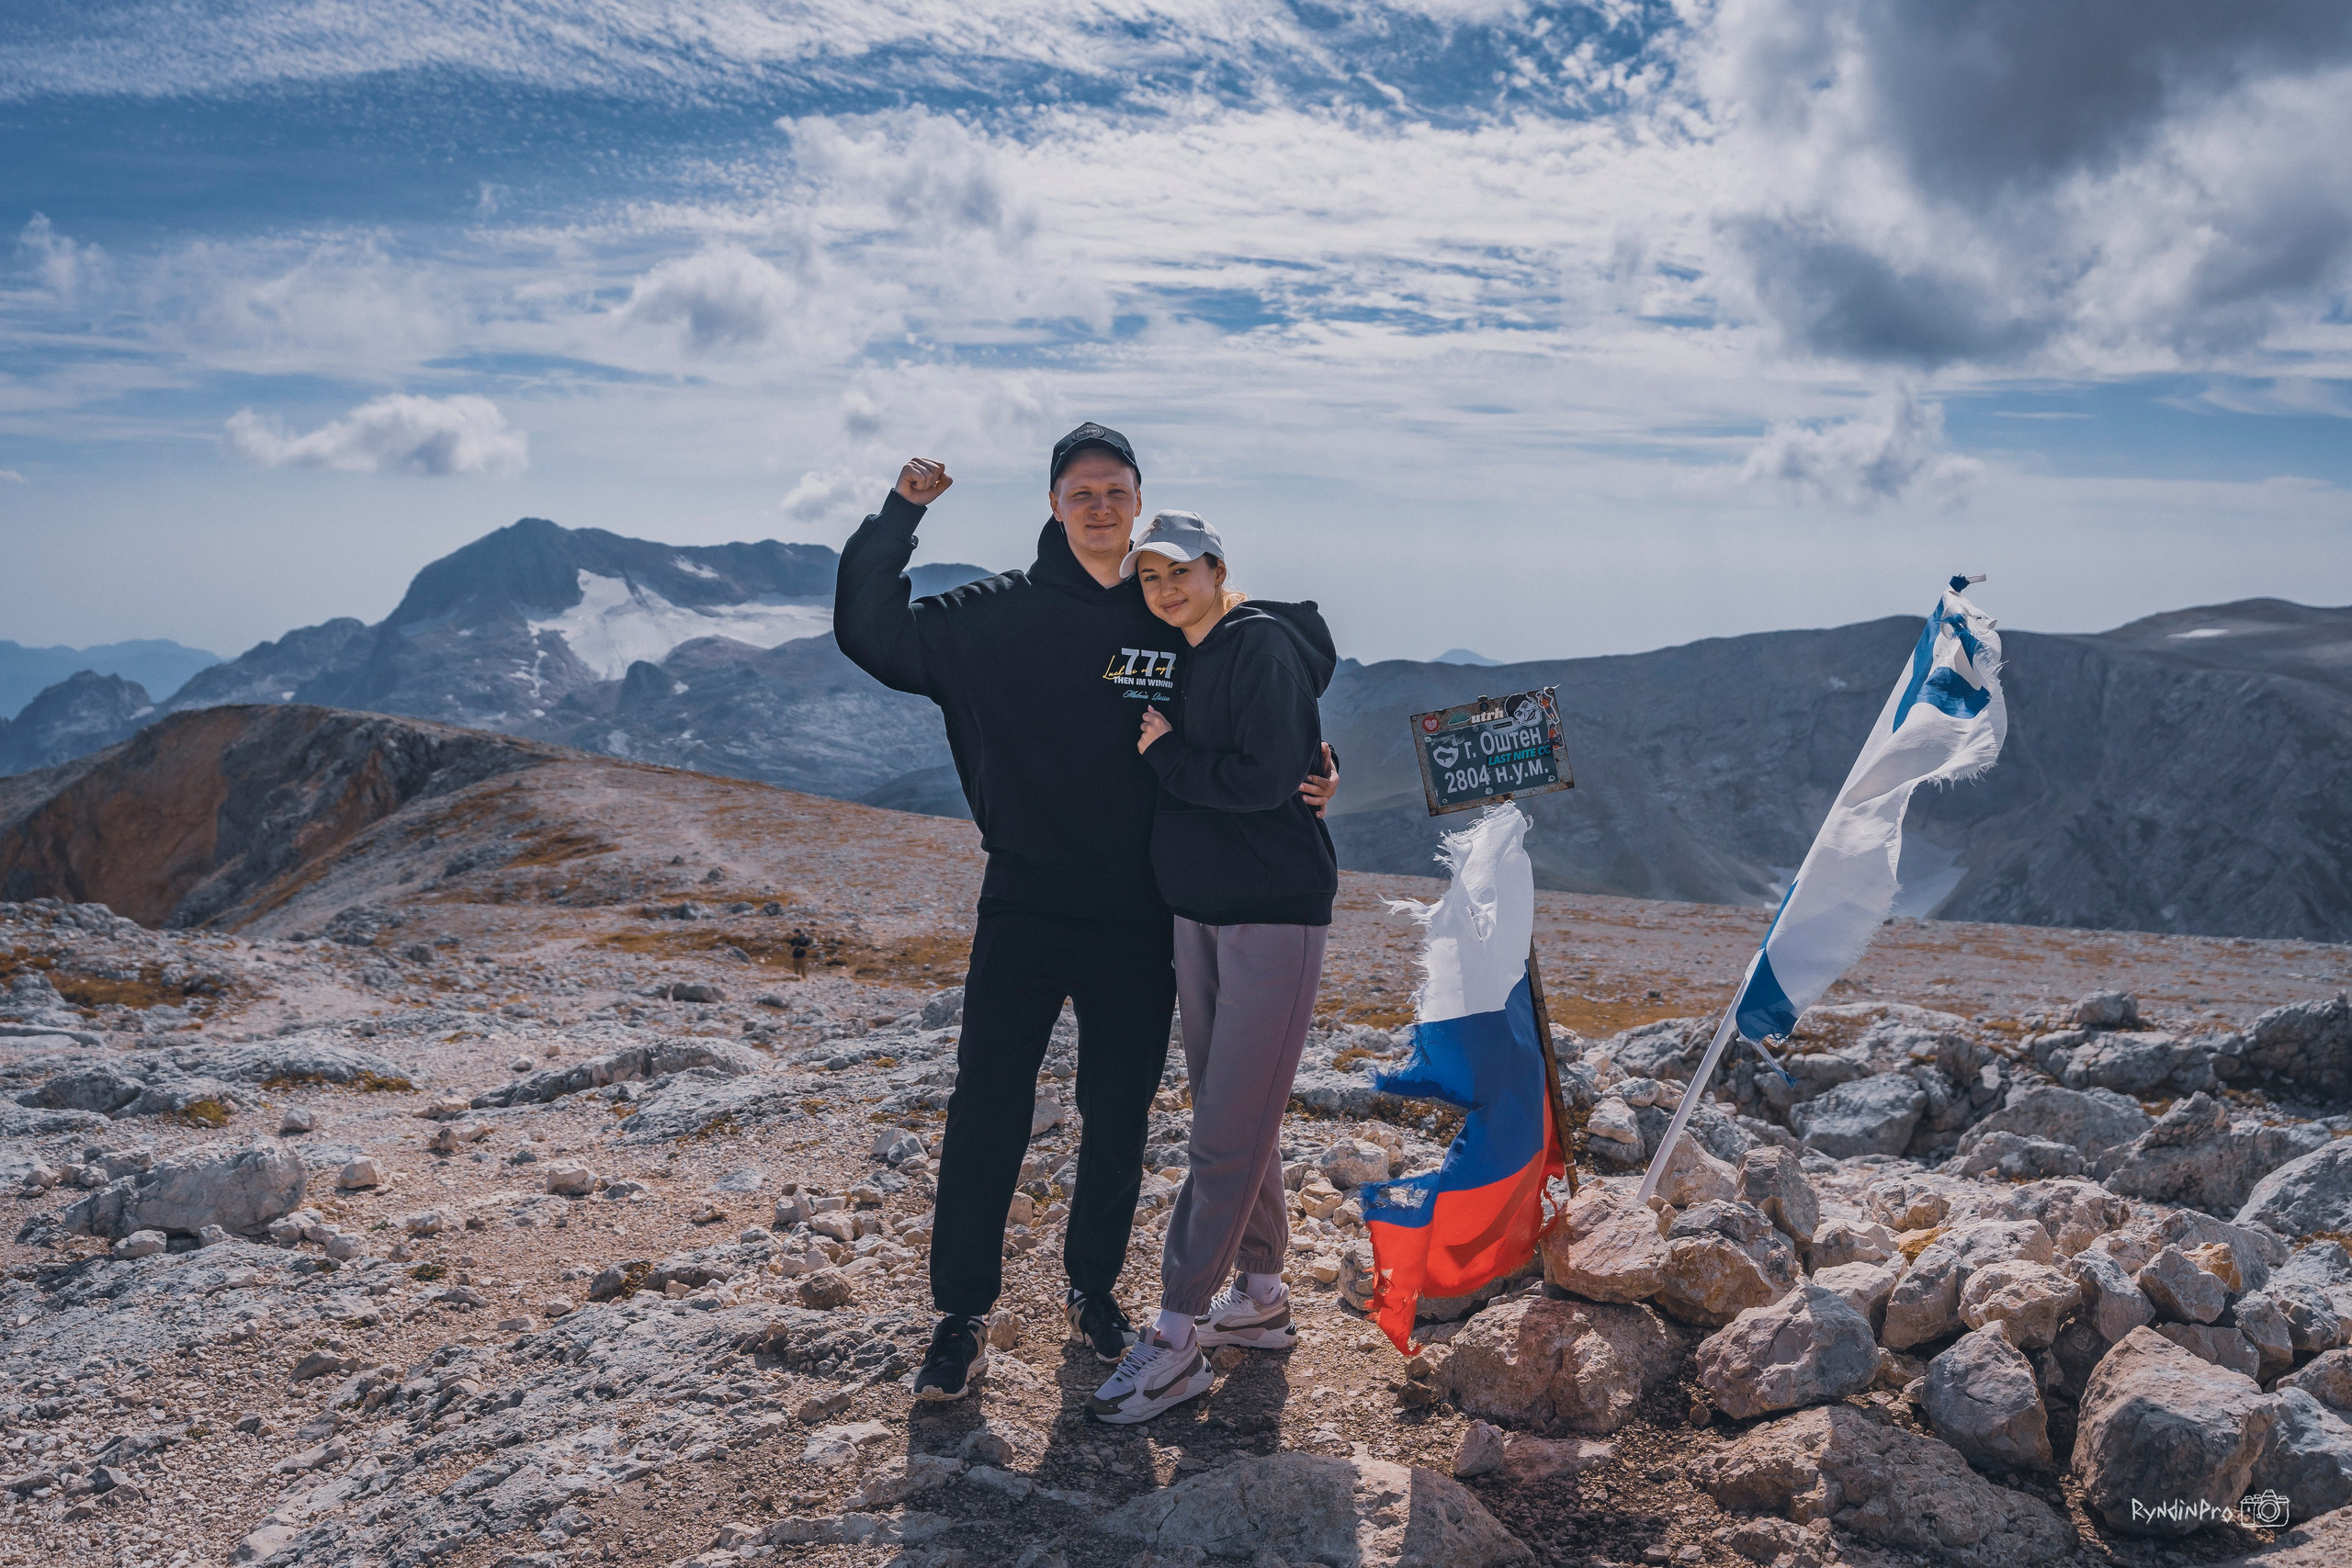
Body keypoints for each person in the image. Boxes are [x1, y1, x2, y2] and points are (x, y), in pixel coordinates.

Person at [833, 425, 1339, 1402]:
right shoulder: (991, 617)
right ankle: (959, 1315)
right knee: (989, 1102)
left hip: (1143, 908)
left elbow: (1281, 655)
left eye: (1115, 491)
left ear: (1138, 506)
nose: (1099, 506)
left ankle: (1093, 1292)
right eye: (1080, 493)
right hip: (1023, 895)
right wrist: (901, 514)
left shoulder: (1170, 614)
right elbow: (870, 630)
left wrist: (1310, 765)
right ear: (1054, 508)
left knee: (1118, 1113)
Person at [1084, 511, 1340, 1425]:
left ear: (1217, 568)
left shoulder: (1258, 645)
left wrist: (1166, 755)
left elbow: (1265, 778)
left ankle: (1175, 1338)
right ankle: (1262, 1296)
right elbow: (1286, 754)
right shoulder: (1179, 653)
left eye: (1177, 572)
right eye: (1149, 578)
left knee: (1224, 1133)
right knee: (1238, 1115)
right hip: (1199, 912)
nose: (1163, 589)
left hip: (1270, 916)